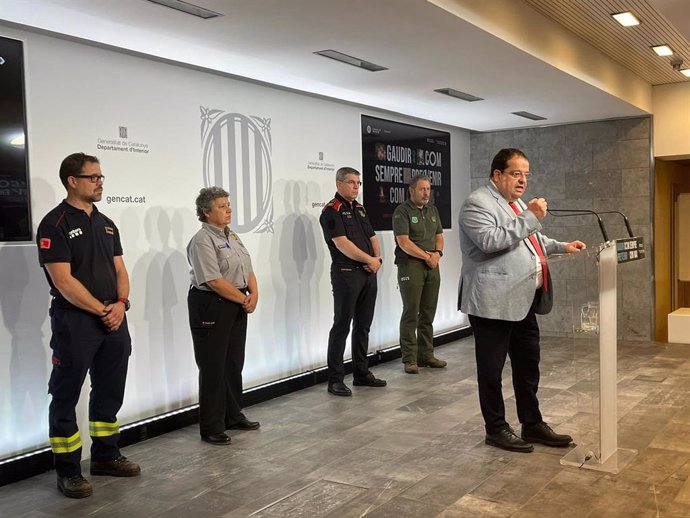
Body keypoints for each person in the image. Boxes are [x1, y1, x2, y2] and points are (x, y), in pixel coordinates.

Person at [458, 148, 586, 453]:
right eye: (516, 173)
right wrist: (531, 216)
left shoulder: (513, 205)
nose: (522, 180)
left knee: (528, 365)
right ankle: (496, 428)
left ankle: (532, 424)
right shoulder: (477, 203)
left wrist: (563, 245)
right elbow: (490, 241)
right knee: (491, 370)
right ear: (497, 175)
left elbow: (533, 241)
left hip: (523, 299)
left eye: (526, 174)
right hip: (492, 303)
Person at [36, 153, 140, 499]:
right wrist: (102, 310)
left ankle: (106, 455)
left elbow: (121, 270)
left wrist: (121, 305)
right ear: (72, 180)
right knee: (65, 394)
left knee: (110, 389)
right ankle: (68, 472)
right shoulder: (55, 223)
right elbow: (63, 281)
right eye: (92, 176)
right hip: (75, 322)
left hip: (113, 319)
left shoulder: (107, 223)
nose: (100, 182)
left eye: (101, 176)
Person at [187, 187, 260, 446]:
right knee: (213, 366)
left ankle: (232, 414)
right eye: (221, 206)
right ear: (206, 212)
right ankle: (211, 425)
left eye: (228, 204)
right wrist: (243, 299)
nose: (228, 209)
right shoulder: (202, 240)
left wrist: (254, 292)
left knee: (233, 362)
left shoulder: (234, 236)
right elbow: (213, 280)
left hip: (237, 302)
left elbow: (246, 267)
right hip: (212, 304)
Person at [319, 167, 387, 396]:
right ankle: (335, 379)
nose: (356, 186)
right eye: (351, 182)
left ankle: (361, 373)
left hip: (368, 272)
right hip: (347, 273)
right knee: (341, 326)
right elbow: (341, 243)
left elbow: (372, 236)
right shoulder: (331, 211)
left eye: (358, 182)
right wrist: (370, 259)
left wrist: (376, 260)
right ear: (339, 184)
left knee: (363, 326)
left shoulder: (359, 208)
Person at [392, 175, 447, 374]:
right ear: (411, 190)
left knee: (428, 312)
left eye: (428, 189)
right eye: (422, 189)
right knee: (411, 312)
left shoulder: (433, 211)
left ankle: (426, 355)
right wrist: (427, 256)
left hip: (432, 265)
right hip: (411, 265)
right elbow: (404, 242)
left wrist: (437, 254)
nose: (426, 193)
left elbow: (439, 237)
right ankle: (410, 359)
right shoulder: (402, 211)